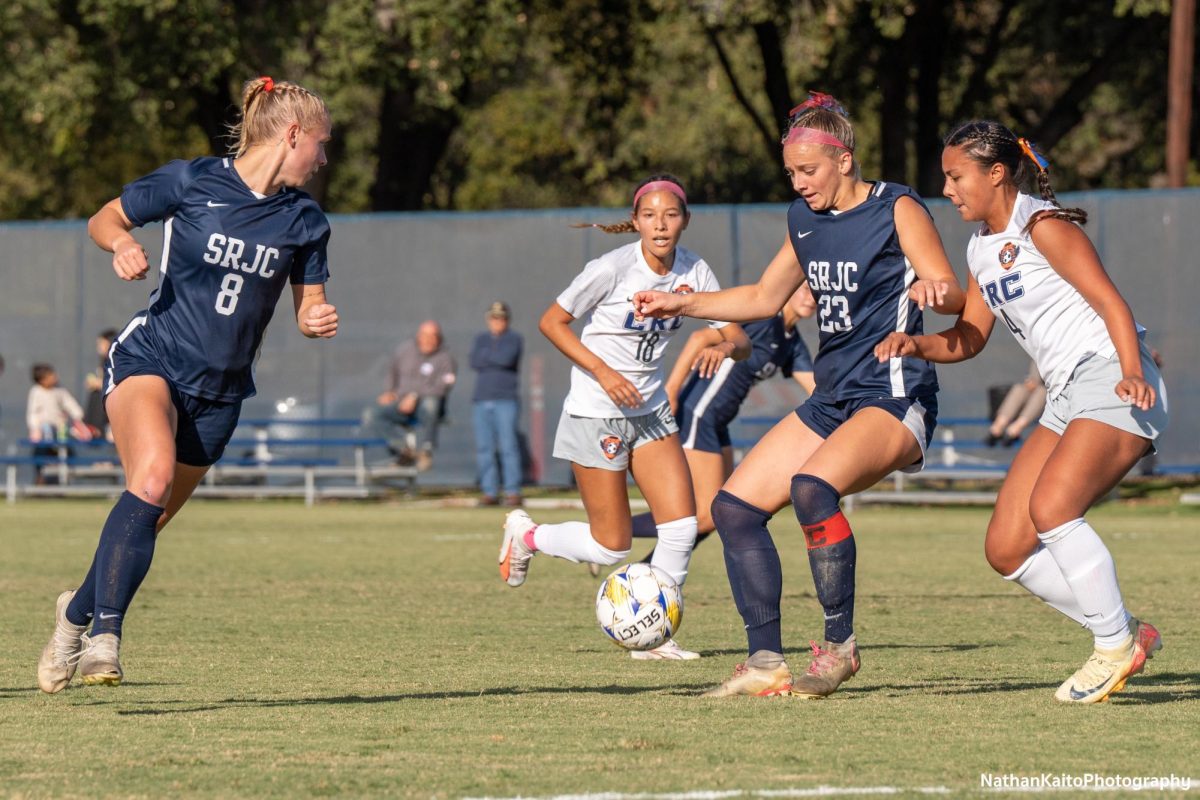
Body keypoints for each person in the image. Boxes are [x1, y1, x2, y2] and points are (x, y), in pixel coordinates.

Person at [631, 93, 965, 696]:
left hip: (891, 395)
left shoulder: (898, 206)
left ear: (843, 159)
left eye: (807, 171)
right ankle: (765, 663)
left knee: (812, 489)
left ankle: (839, 647)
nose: (799, 182)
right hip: (833, 400)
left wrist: (936, 291)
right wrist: (683, 303)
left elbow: (950, 288)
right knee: (734, 509)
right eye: (791, 173)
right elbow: (763, 296)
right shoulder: (803, 219)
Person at [36, 76, 338, 694]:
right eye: (322, 145)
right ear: (292, 134)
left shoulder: (306, 219)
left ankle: (72, 617)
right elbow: (104, 219)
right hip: (153, 358)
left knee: (146, 518)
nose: (325, 159)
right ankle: (104, 640)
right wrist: (121, 243)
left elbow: (312, 303)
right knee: (147, 482)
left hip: (221, 394)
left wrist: (314, 317)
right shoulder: (192, 181)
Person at [874, 120, 1167, 704]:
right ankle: (1126, 630)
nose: (950, 190)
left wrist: (1132, 370)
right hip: (1065, 394)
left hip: (1110, 374)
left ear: (997, 172)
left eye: (957, 177)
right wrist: (917, 343)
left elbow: (1111, 300)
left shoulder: (1043, 226)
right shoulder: (980, 245)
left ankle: (1111, 644)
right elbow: (971, 337)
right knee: (1007, 546)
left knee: (1053, 508)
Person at [497, 173, 751, 661]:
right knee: (610, 547)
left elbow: (741, 340)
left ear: (685, 221)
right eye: (650, 215)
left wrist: (724, 344)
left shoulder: (695, 271)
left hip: (651, 411)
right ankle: (527, 535)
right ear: (635, 221)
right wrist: (603, 372)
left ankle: (654, 637)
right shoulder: (611, 268)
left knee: (681, 527)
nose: (660, 225)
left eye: (671, 215)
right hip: (597, 411)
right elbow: (552, 322)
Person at [627, 284, 817, 567]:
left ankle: (646, 571)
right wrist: (672, 391)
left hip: (718, 423)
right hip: (699, 413)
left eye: (816, 291)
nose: (810, 297)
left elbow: (818, 391)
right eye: (803, 288)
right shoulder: (763, 317)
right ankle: (612, 535)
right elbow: (699, 338)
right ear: (788, 287)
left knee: (714, 514)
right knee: (703, 516)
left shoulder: (792, 342)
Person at [367, 320, 456, 471]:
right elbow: (392, 371)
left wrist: (415, 396)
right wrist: (390, 391)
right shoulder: (404, 350)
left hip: (426, 408)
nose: (428, 339)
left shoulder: (446, 358)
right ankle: (403, 451)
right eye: (424, 335)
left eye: (433, 336)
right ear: (418, 336)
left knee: (431, 403)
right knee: (371, 414)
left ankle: (426, 451)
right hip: (401, 403)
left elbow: (443, 387)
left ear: (439, 338)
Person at [471, 301, 524, 506]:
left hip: (505, 399)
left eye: (501, 318)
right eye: (493, 318)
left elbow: (505, 359)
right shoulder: (480, 339)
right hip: (481, 399)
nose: (497, 322)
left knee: (508, 446)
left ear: (507, 320)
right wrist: (491, 357)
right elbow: (474, 361)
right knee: (485, 447)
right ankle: (489, 491)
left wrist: (489, 357)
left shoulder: (514, 339)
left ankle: (512, 490)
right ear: (488, 319)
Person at [27, 363, 94, 483]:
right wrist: (35, 429)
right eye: (50, 376)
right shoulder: (36, 392)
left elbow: (71, 405)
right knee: (41, 455)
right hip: (44, 433)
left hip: (60, 430)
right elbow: (33, 413)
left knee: (66, 454)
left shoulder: (59, 391)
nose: (54, 377)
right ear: (41, 380)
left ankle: (64, 481)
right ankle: (40, 481)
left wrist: (78, 417)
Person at [985, 361, 1046, 447]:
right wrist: (1031, 381)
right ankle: (998, 426)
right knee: (1019, 389)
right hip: (1036, 385)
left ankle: (1015, 429)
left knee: (1042, 392)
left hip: (1051, 391)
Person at [83, 328, 119, 440]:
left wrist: (97, 383)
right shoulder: (103, 361)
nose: (98, 347)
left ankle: (96, 428)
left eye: (101, 343)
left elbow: (115, 383)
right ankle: (91, 428)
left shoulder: (118, 359)